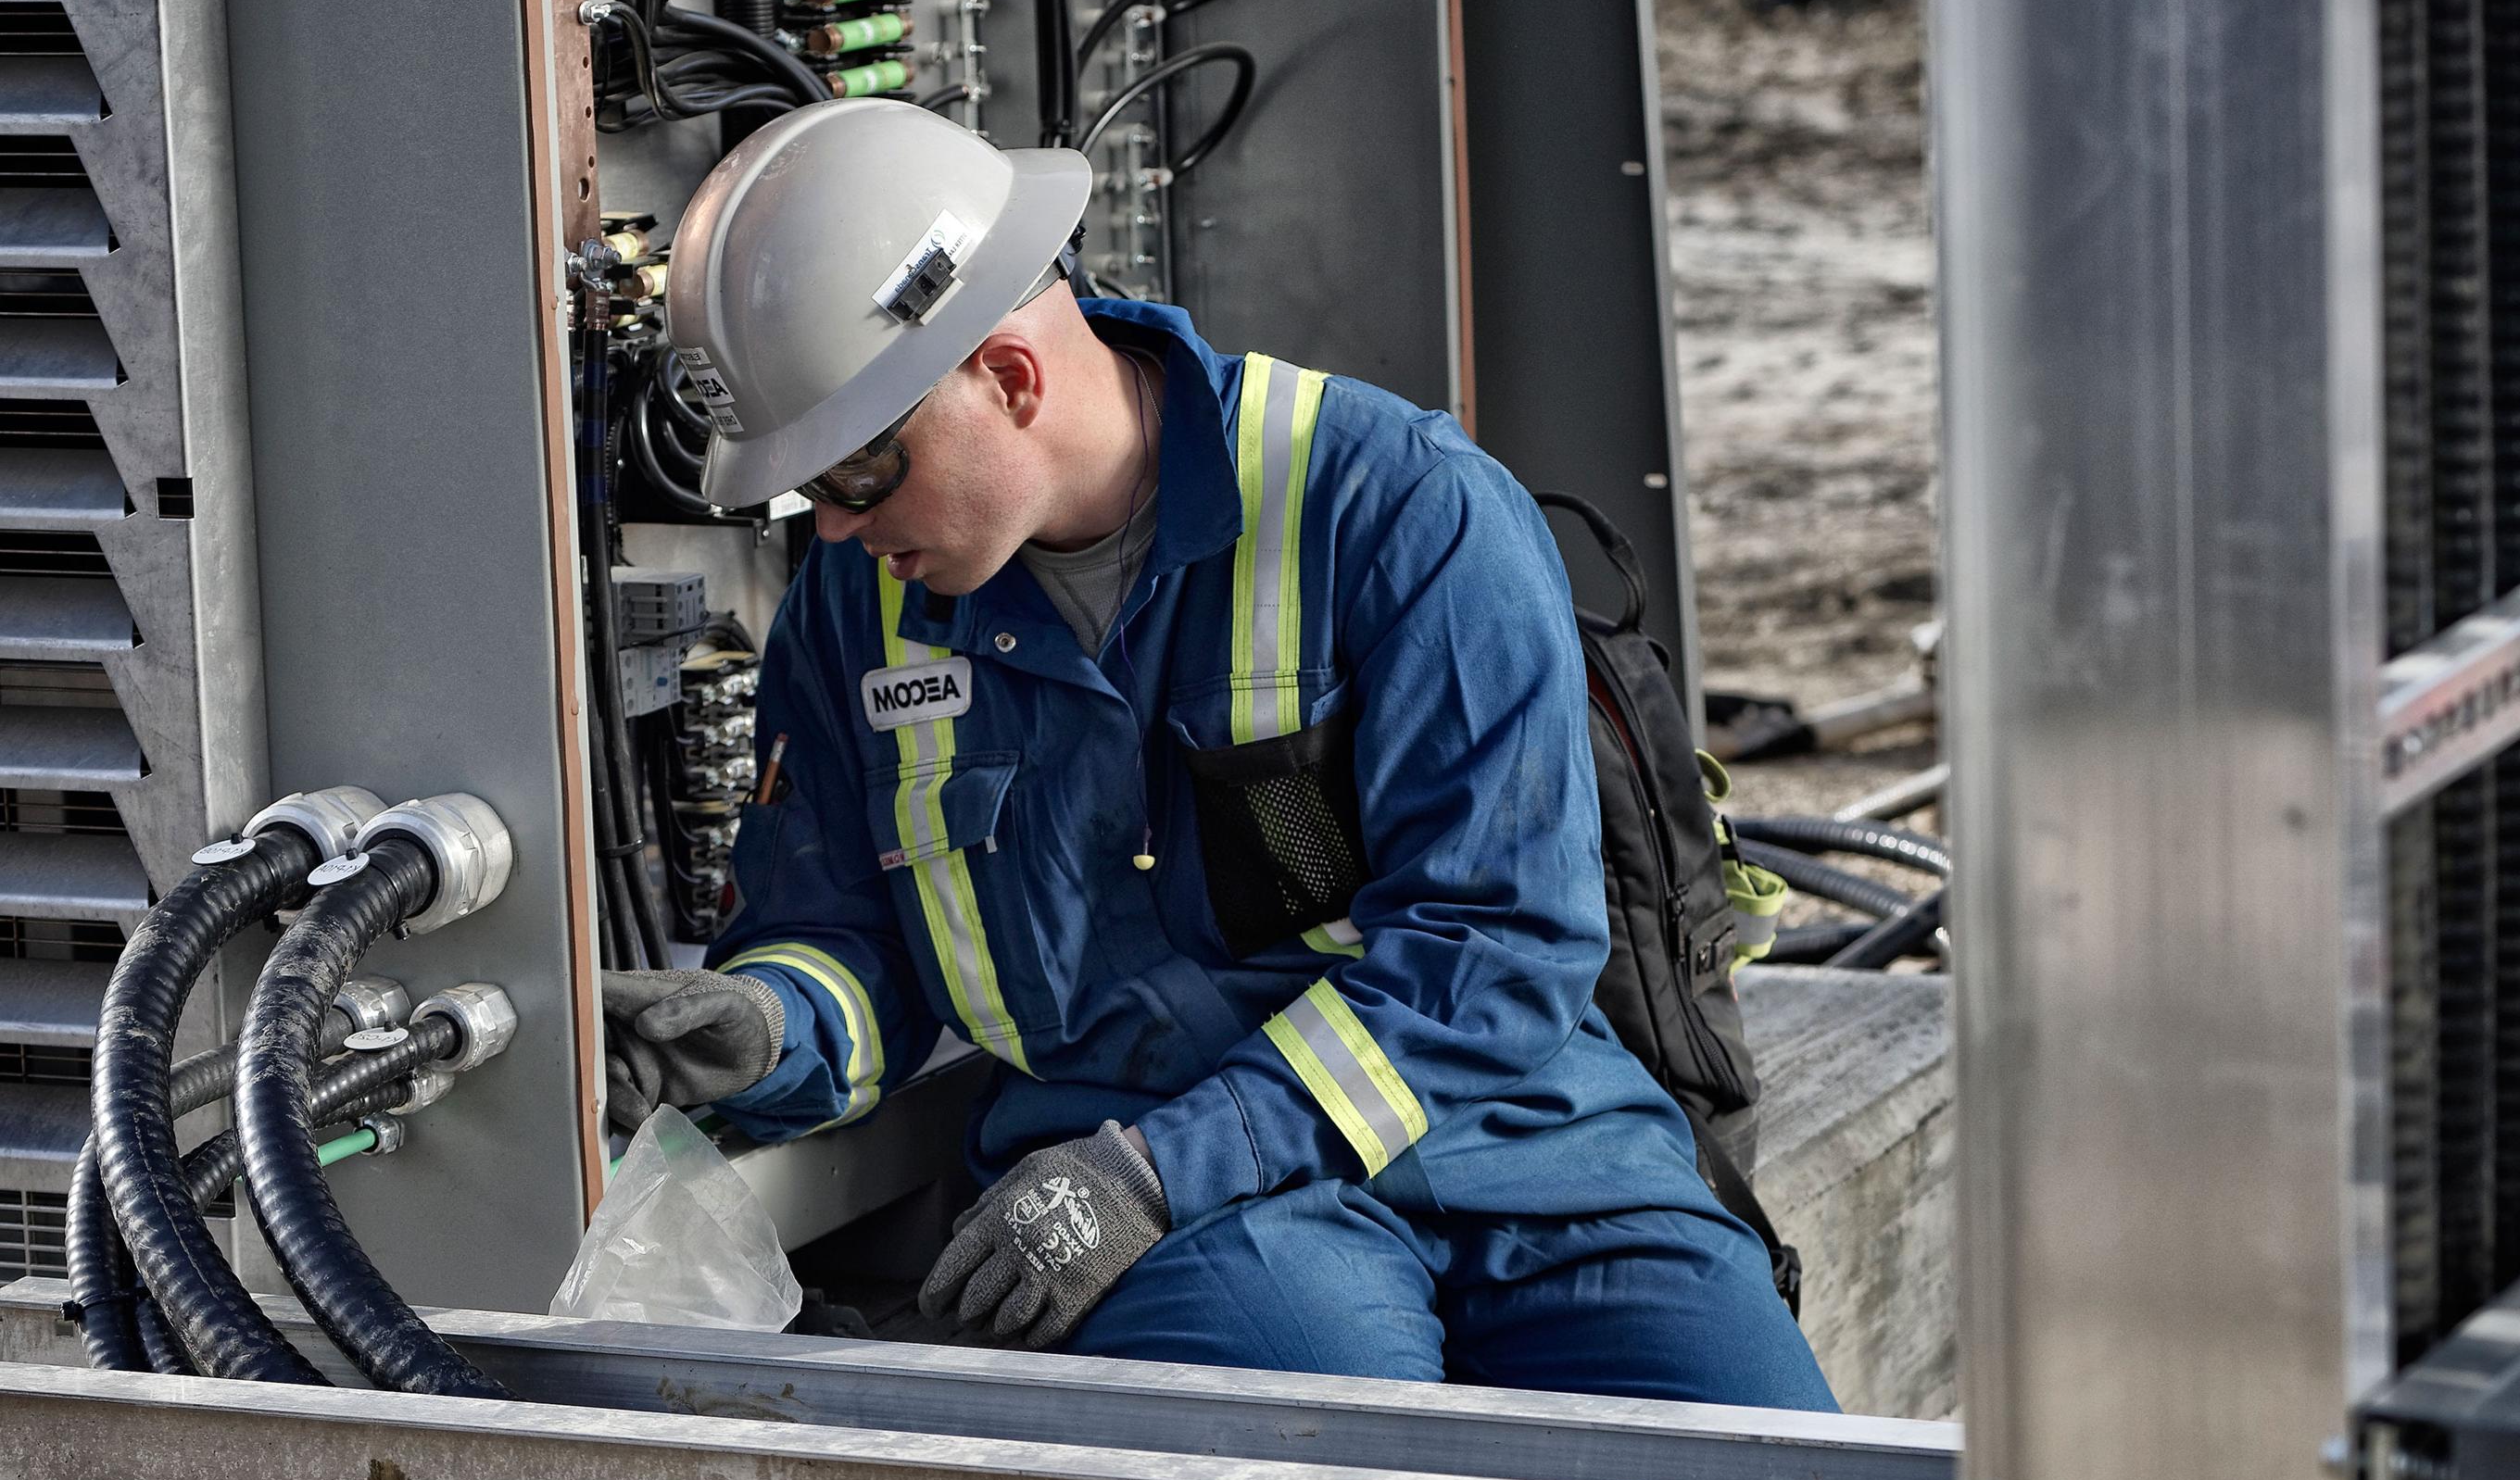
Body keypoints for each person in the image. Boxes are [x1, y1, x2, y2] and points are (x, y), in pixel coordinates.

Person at [600, 99, 1833, 1409]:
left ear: (1007, 379)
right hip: (1192, 1220)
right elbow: (858, 934)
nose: (837, 533)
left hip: (1516, 1155)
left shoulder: (1396, 506)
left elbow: (1498, 942)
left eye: (855, 476)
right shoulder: (858, 614)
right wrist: (769, 1024)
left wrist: (1160, 1166)